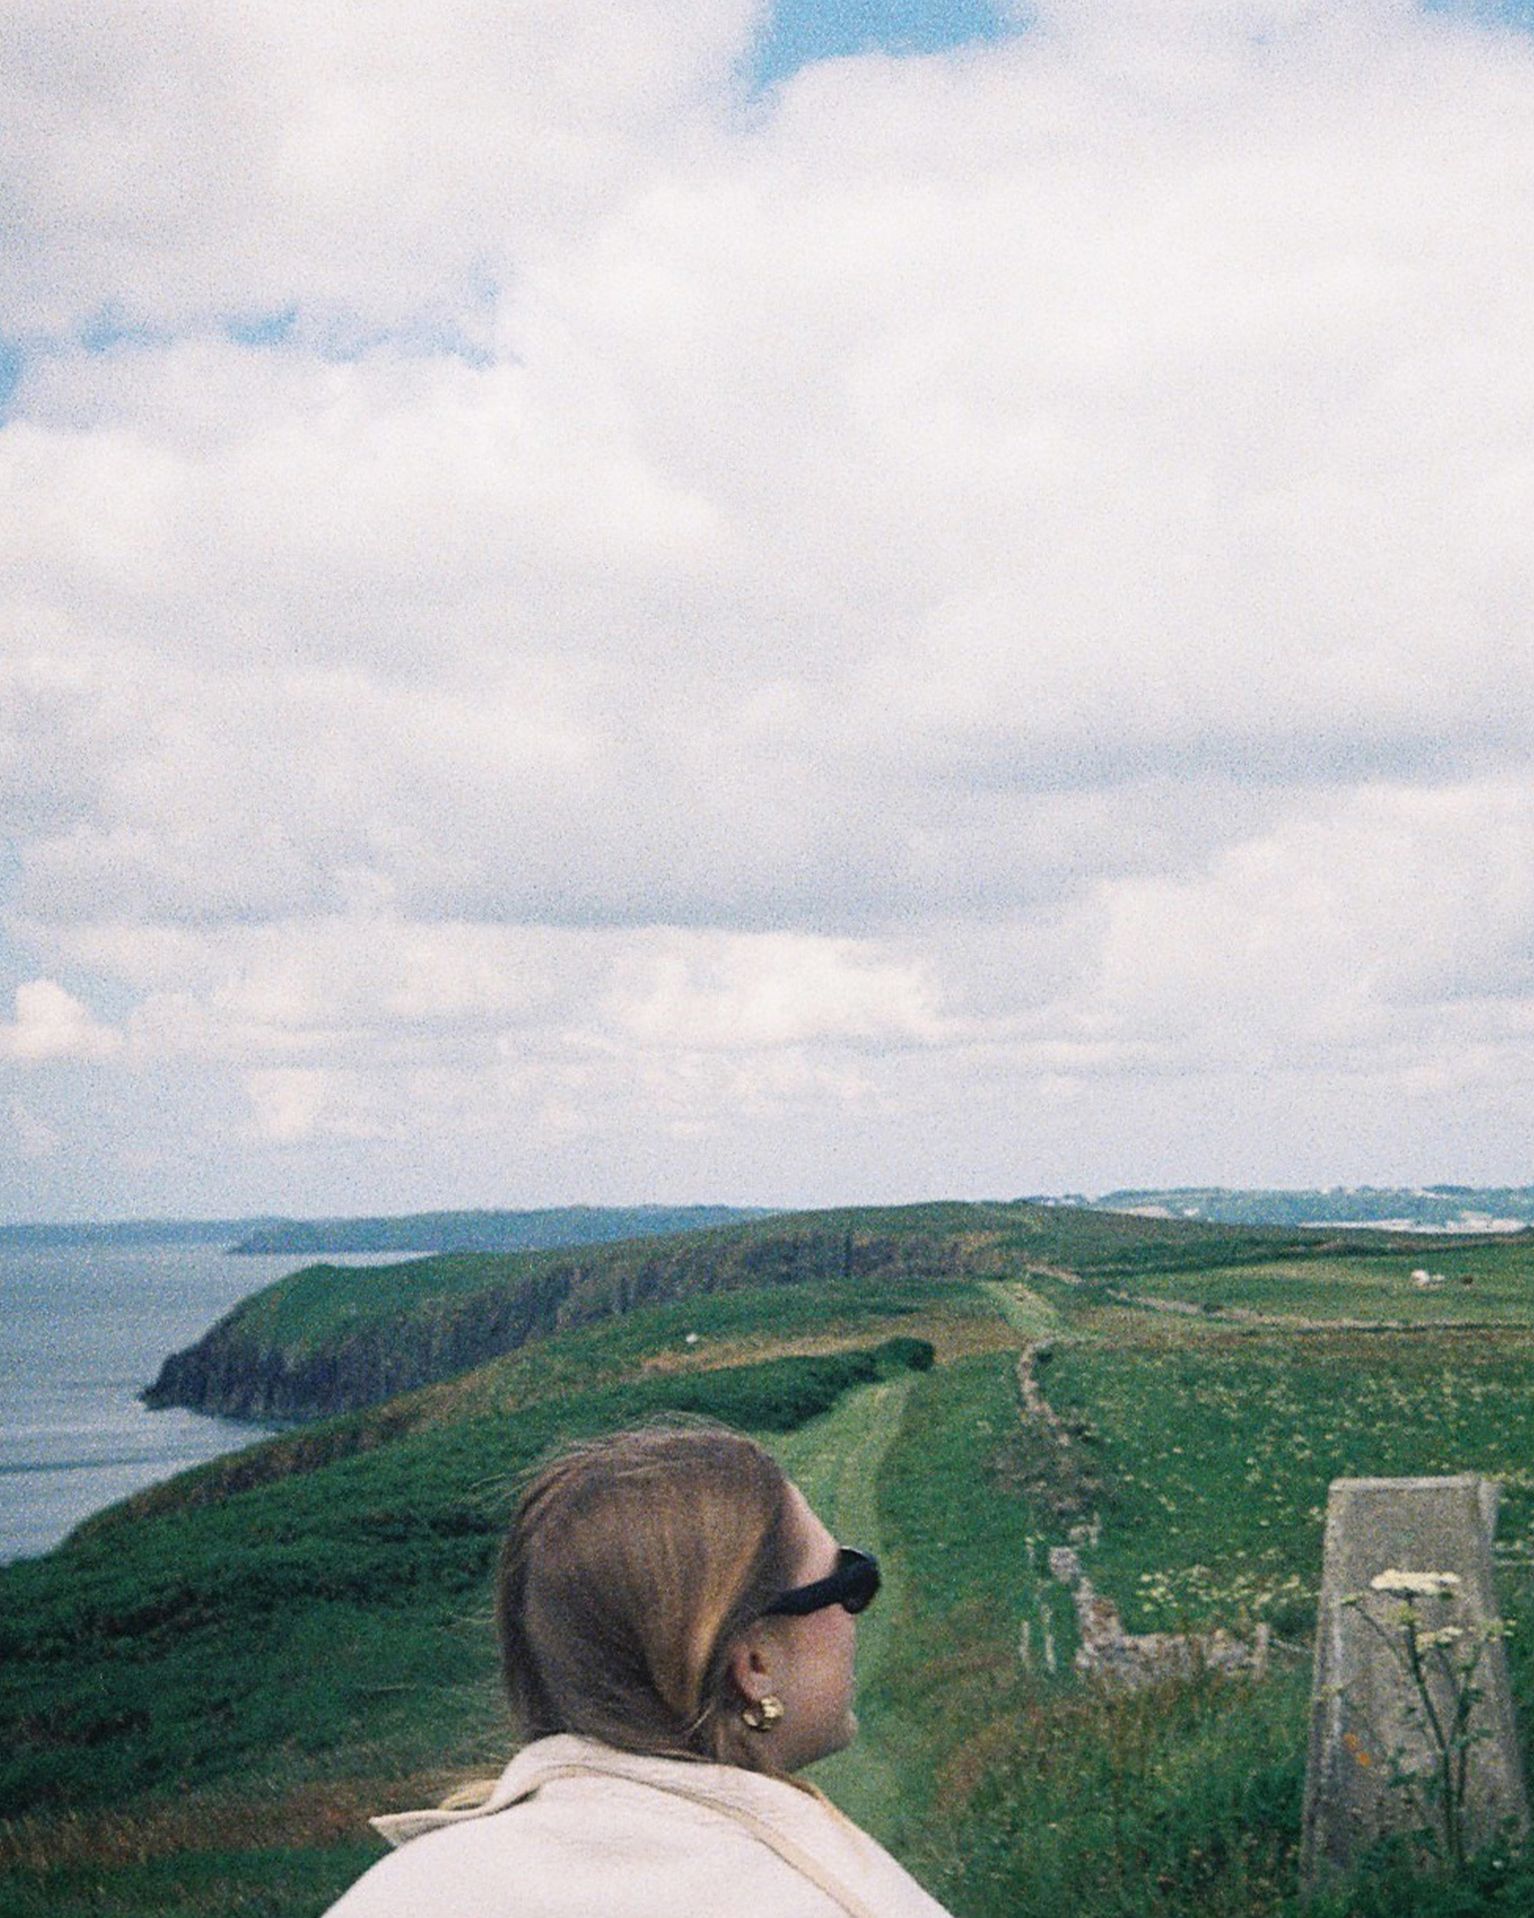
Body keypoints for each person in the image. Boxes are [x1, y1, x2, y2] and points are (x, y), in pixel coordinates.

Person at [323, 1421, 955, 1917]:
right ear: (755, 1665)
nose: (856, 1610)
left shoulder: (397, 1890)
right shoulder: (844, 1904)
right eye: (848, 1579)